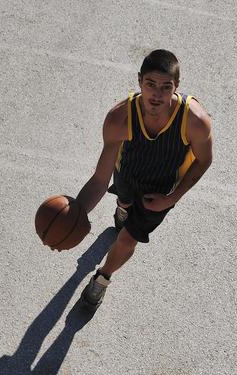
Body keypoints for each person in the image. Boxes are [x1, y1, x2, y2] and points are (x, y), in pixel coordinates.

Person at [75, 49, 213, 310]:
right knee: (124, 202)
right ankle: (123, 208)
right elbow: (100, 179)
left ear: (177, 87)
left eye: (166, 87)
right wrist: (75, 213)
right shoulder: (120, 117)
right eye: (150, 85)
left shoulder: (194, 121)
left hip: (160, 193)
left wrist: (171, 199)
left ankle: (102, 278)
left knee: (127, 239)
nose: (157, 95)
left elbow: (204, 160)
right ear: (139, 81)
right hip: (127, 173)